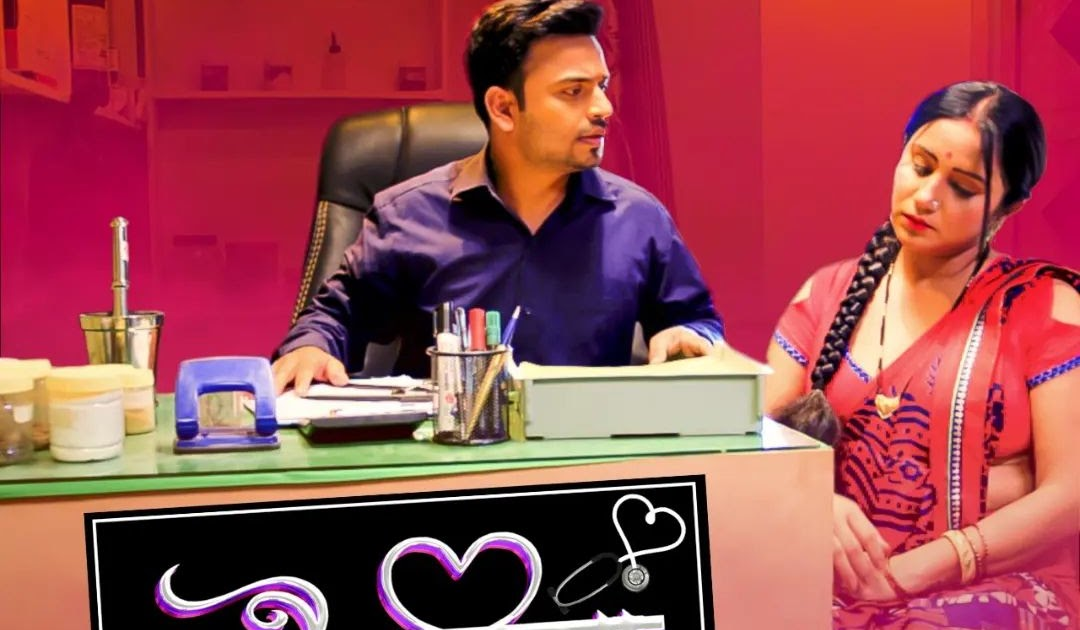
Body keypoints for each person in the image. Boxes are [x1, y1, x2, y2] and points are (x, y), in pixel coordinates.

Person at [271, 0, 723, 395]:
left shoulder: (639, 219)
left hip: (590, 452)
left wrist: (690, 334)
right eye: (574, 91)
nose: (604, 108)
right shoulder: (407, 215)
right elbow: (333, 319)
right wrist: (311, 348)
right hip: (450, 453)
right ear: (503, 108)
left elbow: (694, 319)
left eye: (601, 86)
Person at [764, 81, 1079, 628]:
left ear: (1008, 206)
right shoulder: (826, 294)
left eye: (962, 187)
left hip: (993, 588)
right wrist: (815, 500)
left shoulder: (1044, 307)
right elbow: (754, 442)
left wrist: (916, 571)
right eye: (920, 165)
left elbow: (1070, 492)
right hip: (832, 579)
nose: (927, 196)